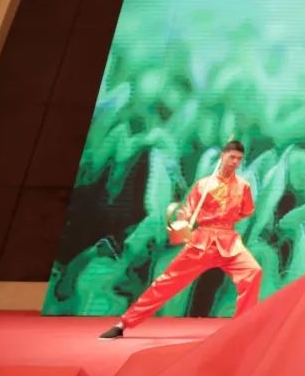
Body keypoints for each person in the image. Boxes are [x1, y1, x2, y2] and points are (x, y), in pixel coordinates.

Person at [98, 140, 262, 339]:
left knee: (253, 272)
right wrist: (183, 220)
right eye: (232, 157)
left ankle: (243, 326)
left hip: (229, 242)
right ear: (222, 157)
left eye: (239, 159)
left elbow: (246, 211)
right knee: (167, 282)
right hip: (202, 241)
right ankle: (124, 323)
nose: (235, 162)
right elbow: (188, 210)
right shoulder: (203, 185)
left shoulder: (243, 186)